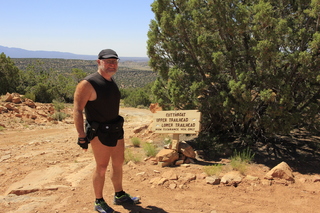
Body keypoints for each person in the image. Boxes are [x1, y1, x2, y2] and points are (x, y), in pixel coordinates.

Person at [73, 49, 140, 213]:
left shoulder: (110, 80)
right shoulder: (87, 83)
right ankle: (98, 200)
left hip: (116, 129)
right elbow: (77, 110)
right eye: (108, 61)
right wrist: (82, 136)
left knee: (118, 164)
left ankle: (119, 195)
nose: (112, 64)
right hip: (99, 132)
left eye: (115, 62)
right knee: (101, 167)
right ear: (98, 62)